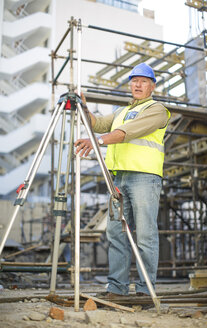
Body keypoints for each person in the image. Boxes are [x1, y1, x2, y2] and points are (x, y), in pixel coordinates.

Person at [75, 63, 171, 297]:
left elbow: (130, 132)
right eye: (134, 80)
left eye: (144, 81)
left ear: (152, 86)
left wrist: (97, 141)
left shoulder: (157, 110)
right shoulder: (121, 112)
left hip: (144, 178)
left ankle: (145, 291)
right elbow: (96, 123)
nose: (138, 85)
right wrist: (84, 107)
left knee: (146, 235)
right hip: (118, 178)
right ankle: (116, 288)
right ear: (130, 85)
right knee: (116, 233)